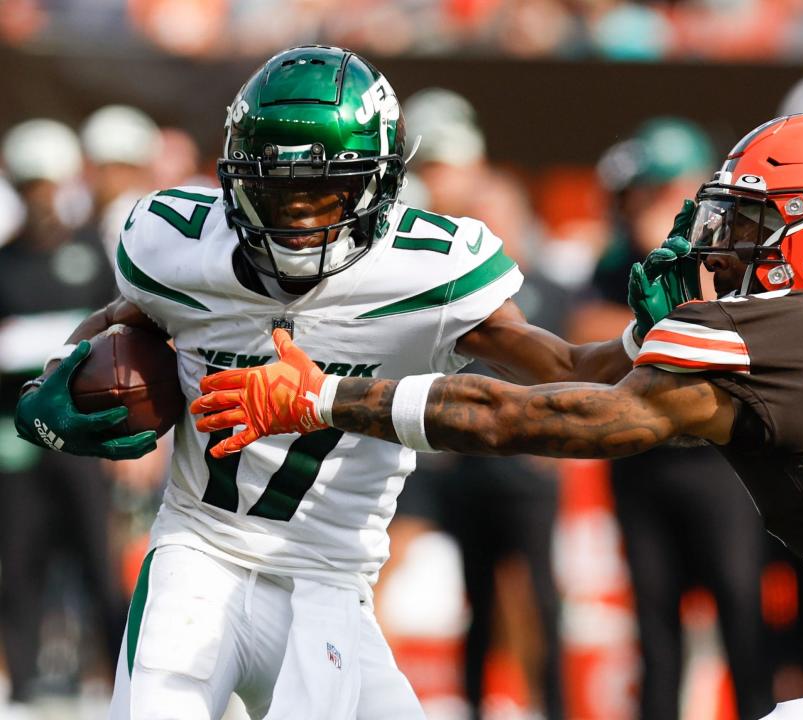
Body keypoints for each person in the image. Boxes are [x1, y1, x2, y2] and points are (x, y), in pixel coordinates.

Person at [194, 113, 803, 718]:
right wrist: (619, 337)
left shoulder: (759, 341)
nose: (720, 248)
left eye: (753, 226)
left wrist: (326, 397)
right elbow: (580, 368)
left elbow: (540, 420)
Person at [12, 45, 633, 719]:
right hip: (199, 557)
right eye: (276, 192)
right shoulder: (181, 250)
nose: (301, 220)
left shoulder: (426, 274)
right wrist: (51, 390)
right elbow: (108, 323)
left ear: (381, 182)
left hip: (329, 586)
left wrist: (651, 337)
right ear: (235, 183)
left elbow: (572, 369)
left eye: (324, 190)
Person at [576, 117, 773, 719]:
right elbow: (583, 336)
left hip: (719, 463)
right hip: (642, 460)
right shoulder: (619, 260)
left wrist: (657, 327)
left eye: (661, 189)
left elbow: (723, 332)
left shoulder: (728, 258)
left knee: (741, 613)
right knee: (655, 628)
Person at [389, 88, 567, 719]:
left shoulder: (529, 278)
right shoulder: (406, 253)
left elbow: (571, 356)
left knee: (531, 598)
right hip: (438, 449)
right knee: (452, 592)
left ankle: (545, 707)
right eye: (429, 167)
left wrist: (566, 435)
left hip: (506, 458)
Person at [0, 119, 123, 715]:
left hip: (83, 442)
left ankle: (118, 684)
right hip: (17, 444)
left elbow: (120, 341)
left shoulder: (89, 254)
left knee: (99, 565)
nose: (40, 196)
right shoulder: (4, 264)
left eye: (47, 184)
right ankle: (20, 688)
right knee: (18, 564)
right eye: (29, 185)